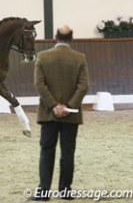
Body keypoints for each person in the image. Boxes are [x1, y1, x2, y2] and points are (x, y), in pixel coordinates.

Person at [31, 26, 89, 201]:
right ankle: (65, 190)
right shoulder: (80, 58)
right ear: (72, 38)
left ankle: (44, 192)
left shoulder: (42, 57)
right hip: (71, 114)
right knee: (68, 152)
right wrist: (69, 106)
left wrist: (54, 105)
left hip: (49, 114)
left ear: (55, 37)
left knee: (47, 150)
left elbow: (40, 84)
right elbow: (83, 86)